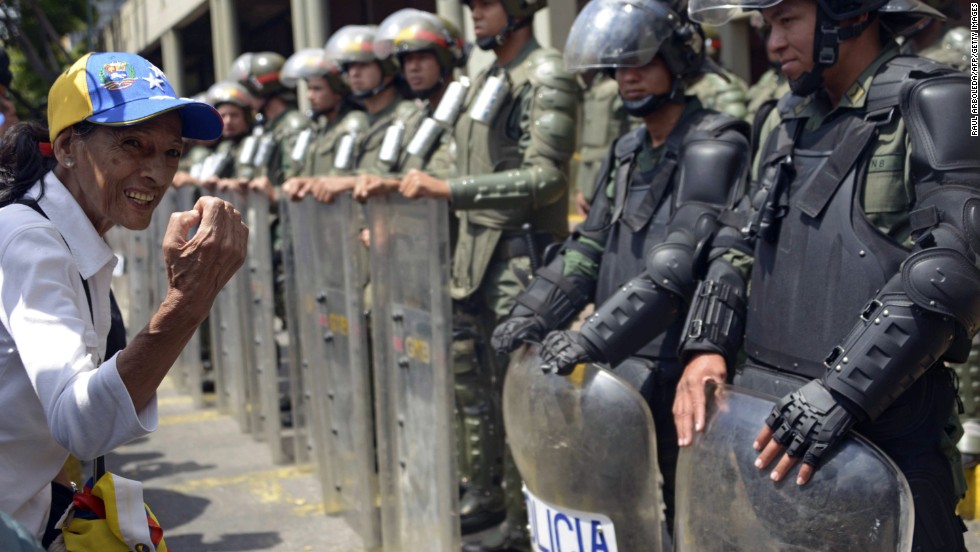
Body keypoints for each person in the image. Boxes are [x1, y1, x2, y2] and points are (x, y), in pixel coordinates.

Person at [675, 0, 979, 547]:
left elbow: (955, 267)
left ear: (850, 12)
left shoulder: (937, 99)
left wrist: (839, 393)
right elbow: (737, 240)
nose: (772, 44)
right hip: (771, 430)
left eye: (787, 20)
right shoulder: (784, 118)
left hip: (885, 446)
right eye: (767, 25)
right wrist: (706, 344)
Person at [491, 0, 750, 536]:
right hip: (621, 366)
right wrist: (532, 313)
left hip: (681, 363)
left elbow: (677, 266)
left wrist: (590, 338)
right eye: (619, 66)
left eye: (643, 62)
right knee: (619, 510)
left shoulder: (716, 141)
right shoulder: (628, 149)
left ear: (678, 59)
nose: (628, 78)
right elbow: (588, 247)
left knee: (689, 519)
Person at [0, 51, 246, 546]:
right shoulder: (30, 241)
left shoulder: (67, 233)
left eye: (171, 152)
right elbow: (81, 422)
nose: (156, 172)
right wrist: (188, 302)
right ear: (68, 146)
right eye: (132, 144)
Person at [398, 0, 579, 548]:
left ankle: (529, 527)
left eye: (486, 5)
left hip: (521, 256)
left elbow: (546, 178)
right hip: (475, 256)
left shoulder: (547, 74)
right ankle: (498, 505)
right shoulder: (486, 78)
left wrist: (450, 191)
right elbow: (458, 158)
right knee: (478, 389)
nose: (474, 14)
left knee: (523, 398)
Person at [352, 8, 468, 201]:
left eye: (422, 57)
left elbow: (456, 173)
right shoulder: (414, 118)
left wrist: (393, 184)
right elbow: (386, 170)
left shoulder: (467, 110)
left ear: (445, 59)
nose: (413, 67)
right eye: (407, 60)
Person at [280, 46, 366, 200]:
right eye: (309, 88)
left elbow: (339, 176)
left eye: (317, 89)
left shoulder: (352, 123)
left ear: (337, 91)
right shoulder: (317, 128)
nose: (309, 96)